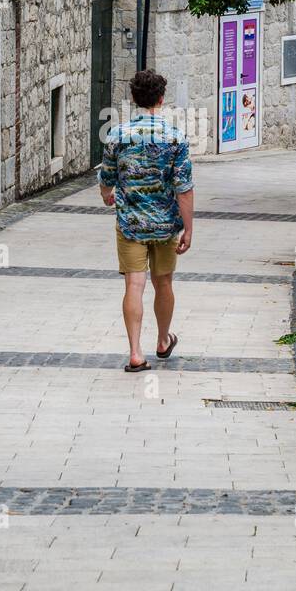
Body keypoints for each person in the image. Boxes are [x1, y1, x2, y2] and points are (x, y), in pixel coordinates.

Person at [98, 69, 194, 372]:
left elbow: (107, 177)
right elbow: (184, 188)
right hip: (166, 224)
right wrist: (188, 228)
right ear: (162, 99)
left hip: (130, 223)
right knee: (163, 282)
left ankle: (136, 353)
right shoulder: (176, 138)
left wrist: (106, 195)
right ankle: (163, 340)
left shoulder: (117, 135)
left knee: (134, 285)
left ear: (133, 98)